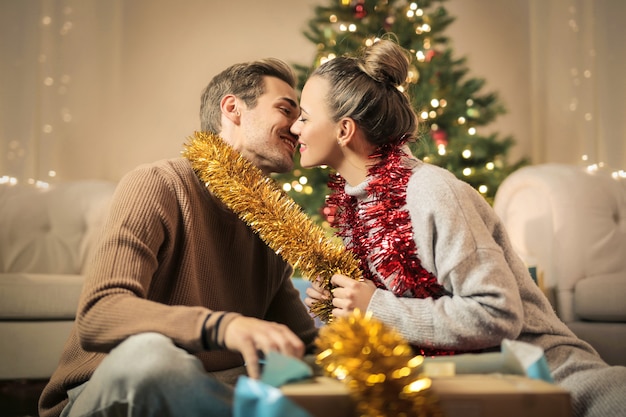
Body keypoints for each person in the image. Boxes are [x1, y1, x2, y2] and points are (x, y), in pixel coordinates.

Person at [291, 38, 626, 417]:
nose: (295, 127)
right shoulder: (358, 207)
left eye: (304, 116)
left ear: (344, 130)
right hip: (450, 380)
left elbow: (497, 314)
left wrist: (376, 308)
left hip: (546, 379)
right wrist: (338, 303)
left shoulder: (431, 191)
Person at [38, 58, 318, 417]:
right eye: (285, 109)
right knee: (152, 359)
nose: (297, 128)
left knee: (312, 371)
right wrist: (224, 326)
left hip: (214, 385)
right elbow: (99, 313)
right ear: (232, 109)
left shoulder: (270, 222)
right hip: (110, 390)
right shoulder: (158, 183)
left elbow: (304, 344)